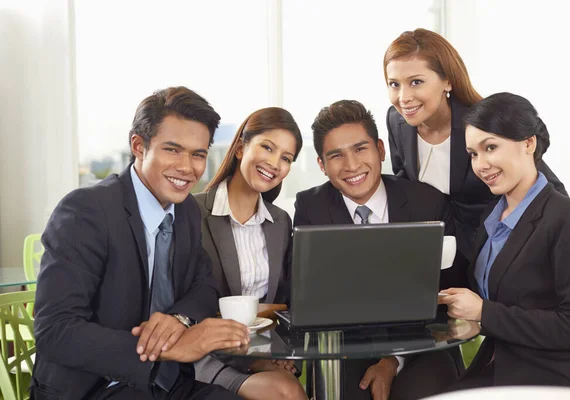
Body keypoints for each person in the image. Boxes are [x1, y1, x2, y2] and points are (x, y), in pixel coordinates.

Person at [32, 86, 250, 400]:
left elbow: (204, 285)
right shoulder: (86, 210)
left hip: (168, 384)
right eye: (172, 150)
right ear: (138, 145)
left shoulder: (187, 209)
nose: (187, 167)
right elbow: (56, 330)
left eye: (198, 154)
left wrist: (178, 319)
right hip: (94, 388)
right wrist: (169, 348)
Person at [294, 100, 465, 400]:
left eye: (360, 149)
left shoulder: (427, 202)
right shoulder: (311, 207)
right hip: (346, 351)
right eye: (336, 155)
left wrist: (393, 361)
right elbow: (309, 298)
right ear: (321, 165)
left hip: (421, 348)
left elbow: (448, 294)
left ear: (381, 150)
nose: (351, 165)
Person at [439, 92, 570, 388]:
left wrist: (484, 313)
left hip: (555, 374)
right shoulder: (492, 214)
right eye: (473, 154)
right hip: (501, 364)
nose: (481, 165)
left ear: (529, 143)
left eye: (490, 147)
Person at [383, 28, 567, 257]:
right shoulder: (396, 121)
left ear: (447, 81)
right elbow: (405, 186)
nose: (404, 97)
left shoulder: (480, 126)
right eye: (394, 84)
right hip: (432, 250)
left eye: (416, 82)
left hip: (491, 247)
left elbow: (546, 187)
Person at [193, 107, 307, 400]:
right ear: (242, 148)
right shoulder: (191, 212)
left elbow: (280, 303)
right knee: (287, 392)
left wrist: (277, 356)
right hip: (204, 355)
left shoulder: (280, 221)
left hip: (257, 354)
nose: (274, 163)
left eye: (286, 158)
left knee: (291, 388)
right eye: (267, 148)